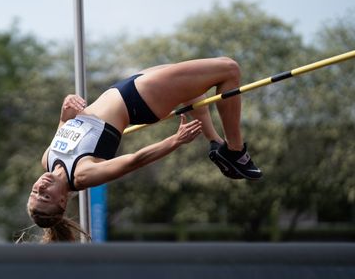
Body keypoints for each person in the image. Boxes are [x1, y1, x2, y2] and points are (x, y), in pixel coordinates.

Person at [27, 57, 262, 242]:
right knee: (229, 69)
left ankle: (216, 143)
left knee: (194, 87)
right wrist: (174, 141)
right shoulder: (82, 174)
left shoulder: (47, 159)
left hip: (125, 88)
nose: (40, 187)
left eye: (35, 192)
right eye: (45, 196)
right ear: (61, 202)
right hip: (139, 100)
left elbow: (65, 123)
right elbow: (134, 161)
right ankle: (236, 151)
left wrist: (66, 106)